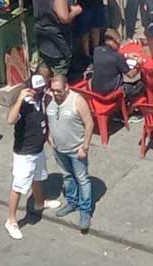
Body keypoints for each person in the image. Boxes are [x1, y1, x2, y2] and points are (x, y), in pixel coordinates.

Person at [5, 75, 62, 240]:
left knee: (38, 177)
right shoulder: (24, 104)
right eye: (35, 90)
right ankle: (11, 220)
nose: (38, 92)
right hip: (25, 153)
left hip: (38, 149)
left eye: (41, 89)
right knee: (19, 186)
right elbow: (10, 120)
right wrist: (20, 99)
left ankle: (39, 202)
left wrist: (48, 136)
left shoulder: (42, 99)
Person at [45, 74, 95, 233]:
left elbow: (89, 123)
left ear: (67, 87)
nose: (56, 94)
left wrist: (85, 147)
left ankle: (85, 211)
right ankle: (71, 202)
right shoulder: (49, 99)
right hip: (59, 149)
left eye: (59, 91)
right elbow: (49, 118)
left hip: (76, 149)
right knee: (67, 177)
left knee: (82, 179)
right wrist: (50, 136)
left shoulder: (77, 101)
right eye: (53, 91)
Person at [34, 0, 82, 78]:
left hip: (41, 35)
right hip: (57, 38)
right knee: (60, 66)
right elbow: (64, 18)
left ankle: (43, 86)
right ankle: (58, 86)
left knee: (44, 63)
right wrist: (75, 12)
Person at [90, 29, 144, 100]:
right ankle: (129, 108)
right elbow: (131, 75)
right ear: (117, 41)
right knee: (141, 85)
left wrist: (126, 55)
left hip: (96, 92)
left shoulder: (96, 51)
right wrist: (139, 65)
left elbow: (109, 56)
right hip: (111, 94)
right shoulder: (117, 57)